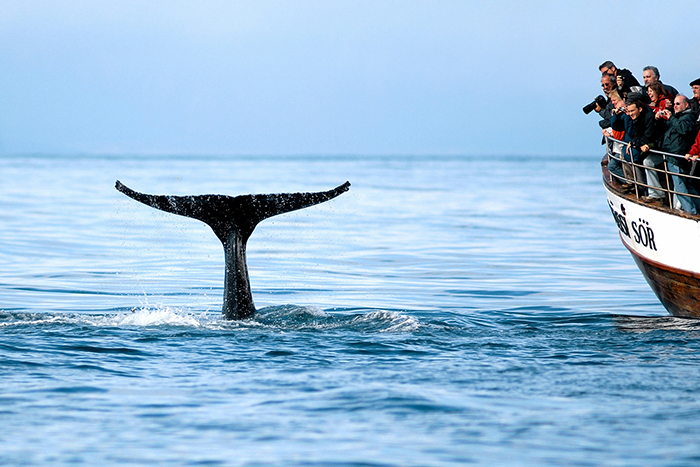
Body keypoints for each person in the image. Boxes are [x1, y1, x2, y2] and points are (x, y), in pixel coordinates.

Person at [643, 95, 699, 211]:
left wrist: (671, 117)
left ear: (686, 105)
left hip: (677, 157)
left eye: (678, 104)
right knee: (686, 185)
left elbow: (683, 129)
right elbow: (667, 132)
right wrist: (659, 120)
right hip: (670, 155)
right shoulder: (678, 117)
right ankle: (697, 208)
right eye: (674, 104)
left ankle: (692, 212)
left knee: (680, 188)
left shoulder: (688, 117)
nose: (675, 106)